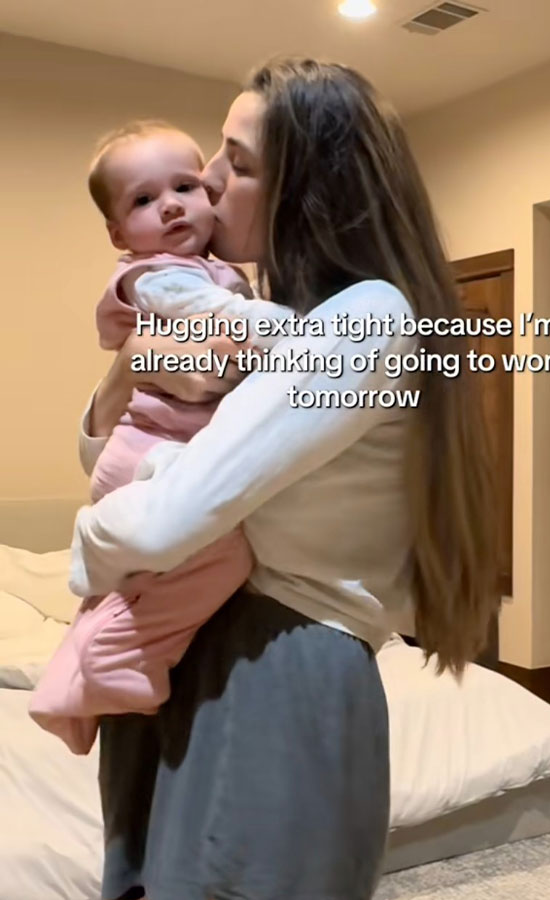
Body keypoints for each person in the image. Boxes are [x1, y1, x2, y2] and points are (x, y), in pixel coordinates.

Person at [69, 57, 500, 900]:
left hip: (276, 665)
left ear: (308, 192)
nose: (206, 180)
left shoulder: (364, 317)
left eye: (236, 162)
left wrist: (88, 541)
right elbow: (117, 453)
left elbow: (157, 521)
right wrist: (126, 374)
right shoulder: (289, 321)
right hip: (208, 651)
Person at [30, 120, 296, 755]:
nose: (172, 205)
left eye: (184, 186)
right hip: (150, 454)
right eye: (145, 199)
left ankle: (74, 678)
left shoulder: (210, 270)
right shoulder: (159, 276)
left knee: (133, 585)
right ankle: (120, 656)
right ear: (118, 233)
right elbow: (219, 331)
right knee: (224, 556)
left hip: (151, 451)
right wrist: (298, 330)